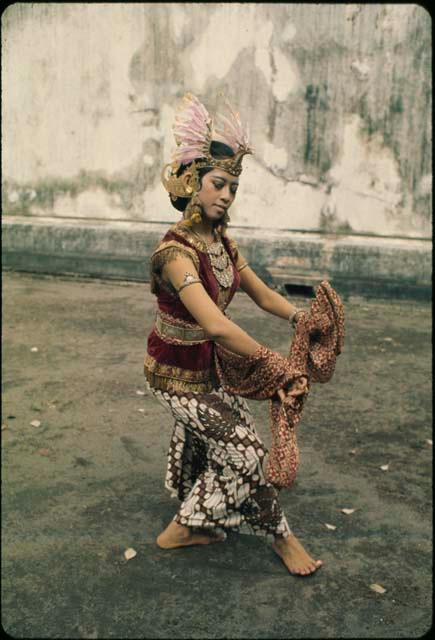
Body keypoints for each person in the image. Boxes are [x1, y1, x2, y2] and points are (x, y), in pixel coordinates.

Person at [144, 93, 322, 576]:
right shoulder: (175, 255)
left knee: (234, 447)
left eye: (232, 188)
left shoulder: (222, 241)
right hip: (175, 375)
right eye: (218, 184)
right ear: (191, 184)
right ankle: (185, 525)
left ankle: (279, 537)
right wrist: (277, 365)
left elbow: (263, 295)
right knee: (247, 452)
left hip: (211, 370)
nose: (226, 195)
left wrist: (303, 320)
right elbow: (217, 325)